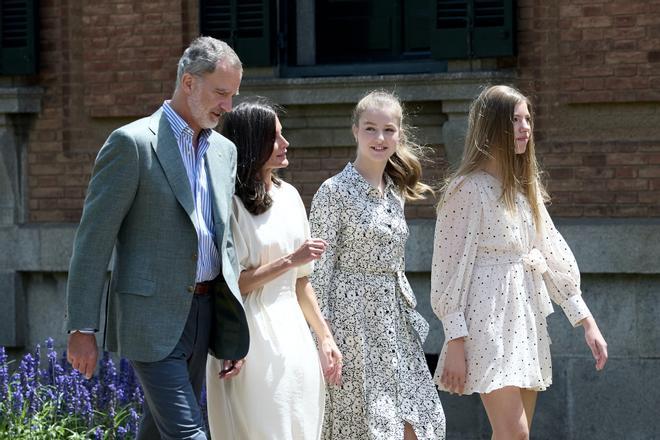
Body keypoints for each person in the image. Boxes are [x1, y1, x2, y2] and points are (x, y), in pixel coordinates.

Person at [64, 36, 250, 440]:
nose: (227, 106)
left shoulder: (225, 151)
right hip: (149, 319)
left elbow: (225, 242)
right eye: (221, 93)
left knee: (157, 431)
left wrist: (230, 326)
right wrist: (82, 326)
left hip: (203, 313)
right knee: (187, 433)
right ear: (188, 83)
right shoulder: (131, 144)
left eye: (233, 95)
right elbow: (92, 242)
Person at [431, 85, 608, 439]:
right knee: (516, 433)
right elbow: (447, 268)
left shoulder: (524, 188)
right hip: (485, 320)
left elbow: (551, 252)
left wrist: (586, 320)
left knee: (513, 436)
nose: (525, 127)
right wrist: (454, 339)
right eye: (515, 119)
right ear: (492, 124)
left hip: (524, 316)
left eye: (528, 119)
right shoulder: (467, 189)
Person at [309, 90, 446, 440]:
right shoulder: (332, 192)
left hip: (394, 322)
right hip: (350, 325)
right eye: (370, 129)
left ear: (399, 135)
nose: (380, 138)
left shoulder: (395, 192)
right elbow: (318, 275)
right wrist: (321, 341)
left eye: (389, 130)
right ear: (355, 131)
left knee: (422, 422)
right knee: (368, 428)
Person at [206, 100, 342, 440]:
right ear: (253, 143)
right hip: (250, 333)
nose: (285, 144)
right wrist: (288, 261)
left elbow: (301, 283)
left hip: (293, 332)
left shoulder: (291, 195)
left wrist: (324, 337)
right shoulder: (230, 203)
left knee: (302, 424)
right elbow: (232, 282)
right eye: (275, 137)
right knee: (267, 427)